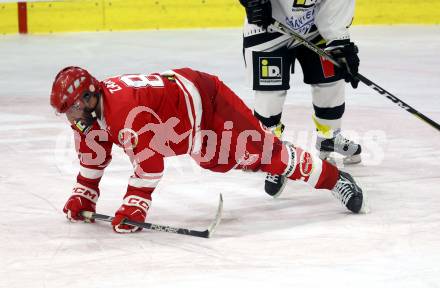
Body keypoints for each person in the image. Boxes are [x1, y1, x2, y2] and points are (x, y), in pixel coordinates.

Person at [50, 66, 366, 233]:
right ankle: (267, 156)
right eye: (67, 111)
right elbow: (94, 153)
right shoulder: (92, 115)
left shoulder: (124, 113)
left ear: (90, 99)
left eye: (73, 110)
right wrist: (85, 193)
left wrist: (136, 206)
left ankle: (335, 179)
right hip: (188, 126)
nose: (71, 118)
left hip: (209, 101)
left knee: (266, 153)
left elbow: (149, 166)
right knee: (217, 161)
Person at [239, 0, 362, 197]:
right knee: (270, 92)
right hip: (267, 25)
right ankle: (272, 152)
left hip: (314, 27)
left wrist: (340, 43)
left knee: (330, 79)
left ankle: (329, 137)